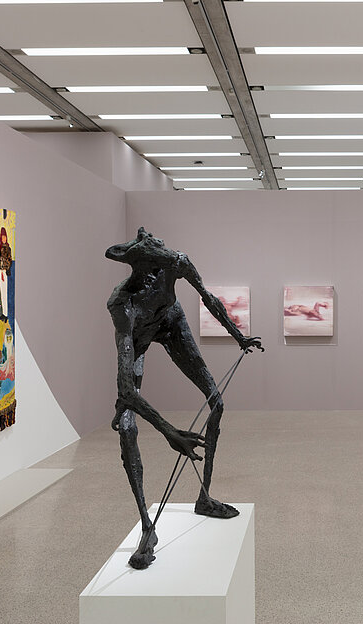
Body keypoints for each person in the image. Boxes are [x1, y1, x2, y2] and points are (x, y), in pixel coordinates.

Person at [105, 228, 263, 570]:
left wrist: (239, 337)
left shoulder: (176, 263)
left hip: (173, 324)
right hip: (141, 340)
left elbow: (207, 297)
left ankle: (204, 497)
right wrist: (168, 431)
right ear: (140, 266)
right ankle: (148, 530)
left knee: (217, 404)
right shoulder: (122, 305)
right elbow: (126, 390)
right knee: (127, 427)